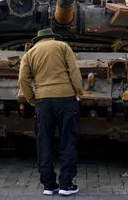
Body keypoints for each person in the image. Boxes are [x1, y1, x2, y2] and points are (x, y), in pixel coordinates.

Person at [17, 28, 83, 196]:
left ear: (38, 40)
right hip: (66, 98)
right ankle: (66, 185)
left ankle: (48, 185)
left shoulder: (30, 53)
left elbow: (22, 79)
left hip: (42, 101)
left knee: (43, 142)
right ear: (52, 37)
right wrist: (78, 92)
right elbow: (74, 71)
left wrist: (32, 99)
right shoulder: (62, 46)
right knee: (67, 141)